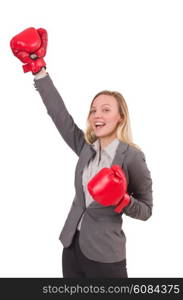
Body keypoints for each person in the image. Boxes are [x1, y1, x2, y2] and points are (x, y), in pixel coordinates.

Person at [10, 27, 153, 278]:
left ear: (120, 118)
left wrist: (123, 201)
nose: (97, 115)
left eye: (106, 109)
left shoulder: (131, 156)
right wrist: (39, 70)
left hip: (105, 255)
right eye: (93, 110)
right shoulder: (86, 149)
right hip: (72, 247)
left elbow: (147, 210)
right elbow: (60, 116)